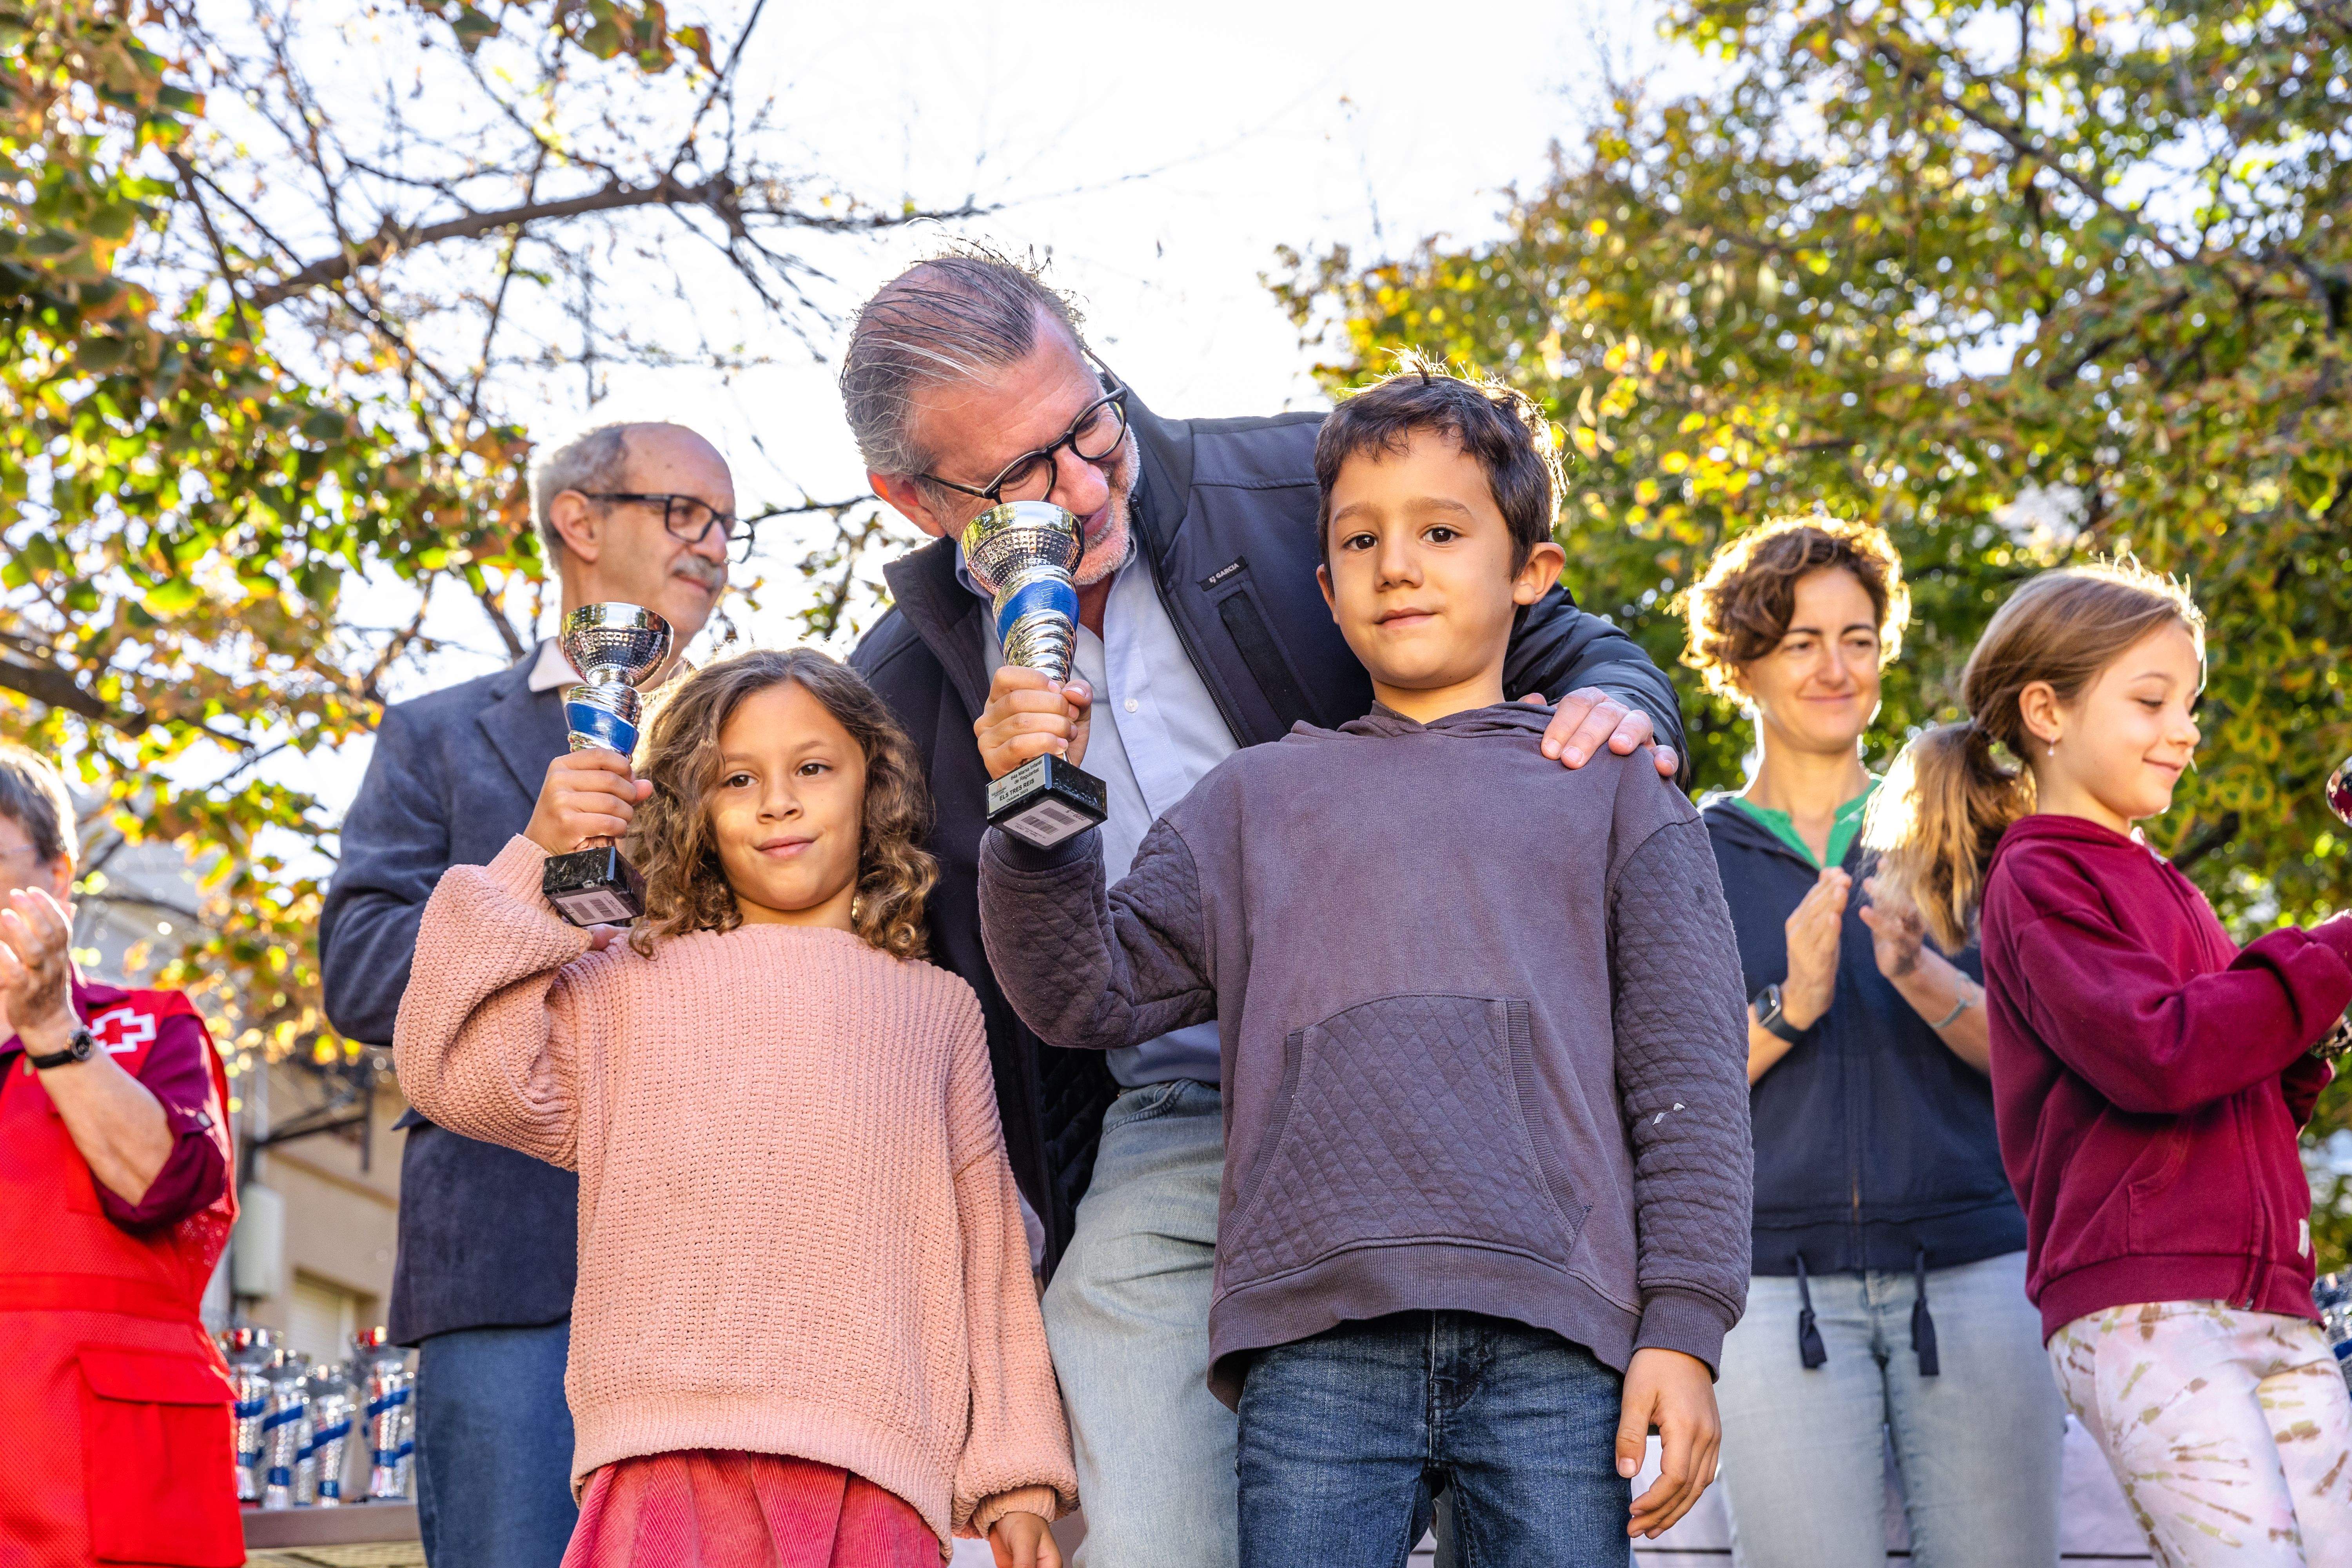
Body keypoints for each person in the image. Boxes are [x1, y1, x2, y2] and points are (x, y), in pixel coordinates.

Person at [843, 253, 1691, 1565]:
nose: (1084, 484)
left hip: (1441, 1080)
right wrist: (1026, 802)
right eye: (1023, 475)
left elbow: (1561, 633)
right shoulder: (896, 697)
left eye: (1092, 421)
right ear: (912, 498)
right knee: (1127, 1398)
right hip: (1170, 1114)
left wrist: (1631, 710)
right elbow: (980, 994)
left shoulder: (1314, 489)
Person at [392, 647, 1076, 1568]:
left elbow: (988, 1246)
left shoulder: (937, 1008)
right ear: (693, 809)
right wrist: (537, 862)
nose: (777, 801)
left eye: (812, 767)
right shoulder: (618, 981)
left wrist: (1017, 1470)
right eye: (737, 777)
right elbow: (449, 1063)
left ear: (873, 784)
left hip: (871, 1469)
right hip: (659, 1457)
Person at [1868, 560, 2352, 1565]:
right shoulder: (2043, 874)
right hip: (2149, 1305)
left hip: (2269, 1291)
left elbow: (2235, 1091)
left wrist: (2313, 1040)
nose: (2187, 729)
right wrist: (2337, 949)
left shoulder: (2172, 887)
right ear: (2047, 709)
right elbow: (2161, 1054)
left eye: (2193, 704)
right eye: (2152, 701)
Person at [320, 420, 737, 1567]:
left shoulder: (771, 742)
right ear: (581, 521)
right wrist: (535, 872)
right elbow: (358, 973)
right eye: (685, 512)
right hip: (512, 1264)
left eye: (726, 525)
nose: (714, 546)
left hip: (735, 1266)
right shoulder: (439, 736)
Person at [1679, 518, 2062, 1568]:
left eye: (1859, 636)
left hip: (1979, 1268)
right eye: (1800, 642)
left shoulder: (1968, 831)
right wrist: (1789, 1006)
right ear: (1742, 663)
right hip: (1771, 1293)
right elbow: (1662, 1098)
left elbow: (2047, 1059)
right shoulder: (1684, 856)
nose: (1835, 667)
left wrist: (1923, 978)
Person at [0, 744, 242, 1567]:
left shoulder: (151, 1028)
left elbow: (164, 1182)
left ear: (58, 875)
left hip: (103, 1495)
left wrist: (47, 1027)